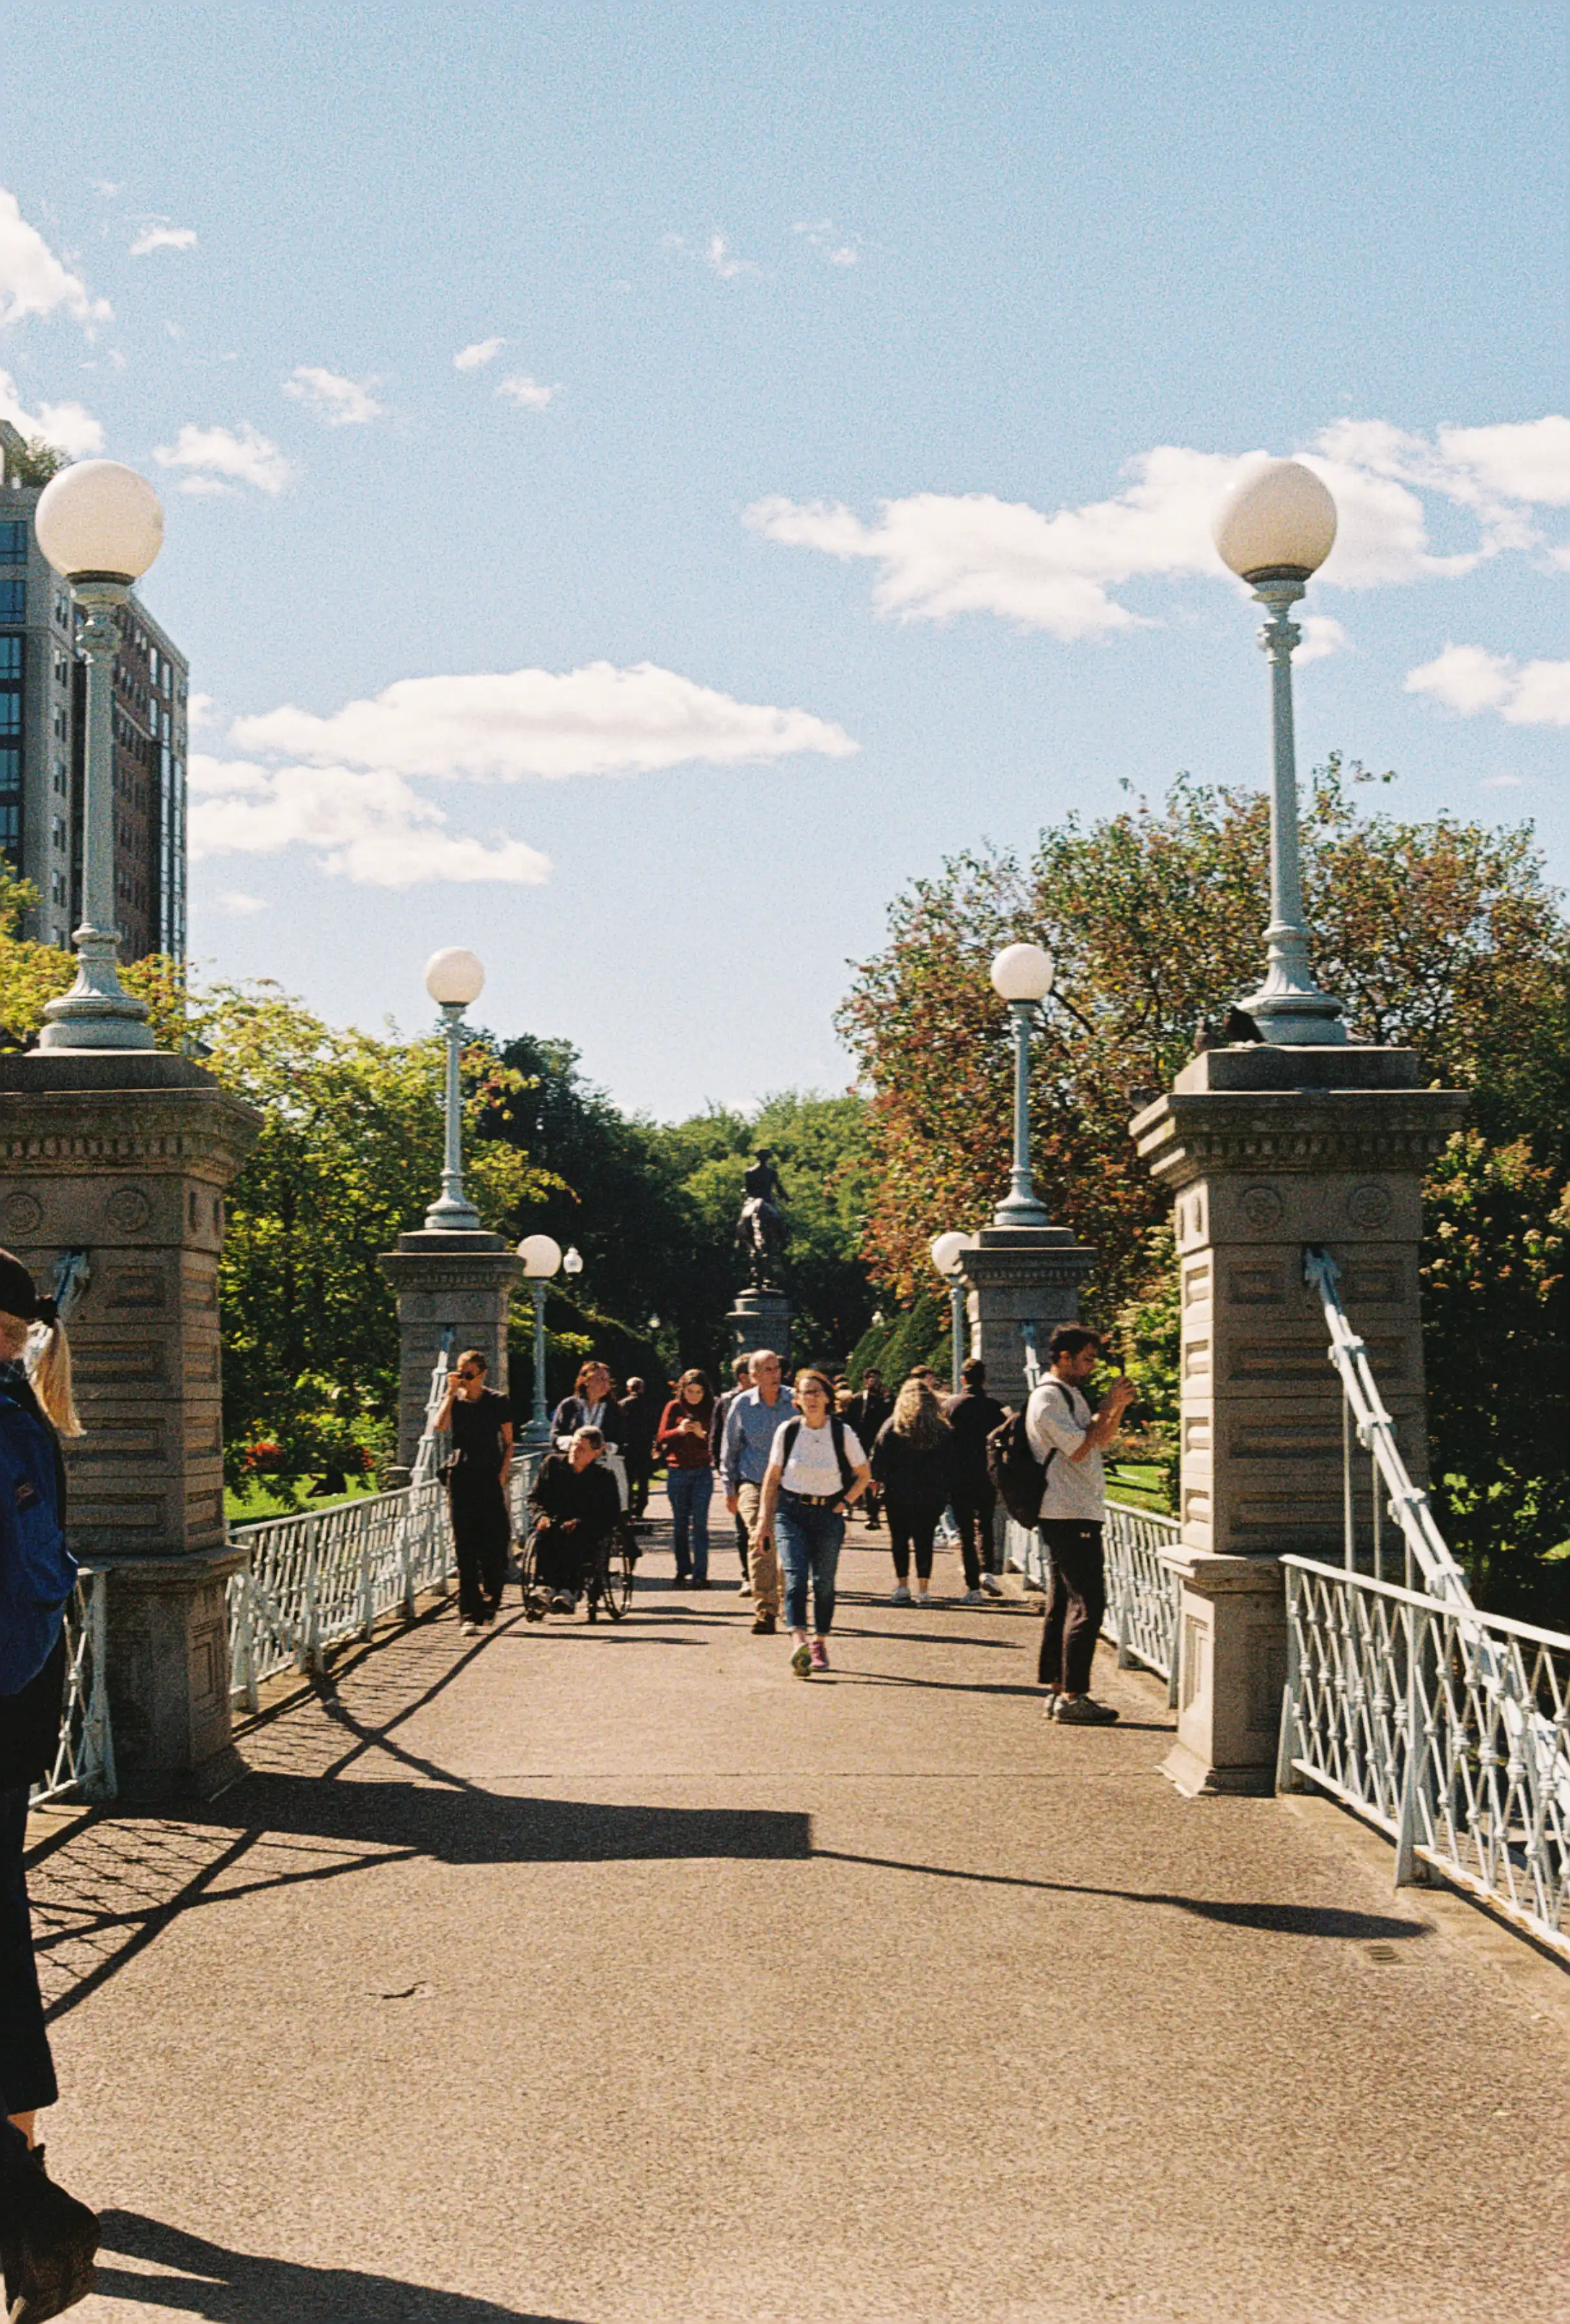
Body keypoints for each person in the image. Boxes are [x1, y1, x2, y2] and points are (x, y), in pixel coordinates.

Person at [0, 1251, 101, 2319]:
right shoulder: (20, 1413)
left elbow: (34, 1586)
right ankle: (30, 2214)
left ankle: (36, 2223)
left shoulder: (8, 1421)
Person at [1027, 1326, 1137, 1723]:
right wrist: (1106, 1403)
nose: (1092, 1366)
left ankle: (1058, 1690)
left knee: (1063, 1603)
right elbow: (1077, 1449)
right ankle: (1074, 1694)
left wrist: (1116, 1406)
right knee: (1089, 1603)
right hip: (1067, 1512)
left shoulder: (1070, 1394)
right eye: (1087, 1358)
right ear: (1063, 1357)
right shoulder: (1047, 1398)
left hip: (1077, 1510)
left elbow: (1099, 1439)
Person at [756, 1368, 871, 1676]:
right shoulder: (788, 1431)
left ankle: (820, 1640)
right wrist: (763, 1521)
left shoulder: (841, 1433)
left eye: (818, 1392)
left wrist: (845, 1503)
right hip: (791, 1512)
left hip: (828, 1515)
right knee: (794, 1578)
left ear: (828, 1398)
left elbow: (864, 1474)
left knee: (823, 1582)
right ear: (796, 1400)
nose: (812, 1398)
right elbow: (772, 1477)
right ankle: (799, 1642)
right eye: (806, 1393)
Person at [433, 1348, 513, 1637]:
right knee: (465, 1546)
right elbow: (439, 1426)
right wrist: (449, 1395)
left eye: (467, 1373)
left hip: (489, 1475)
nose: (462, 1377)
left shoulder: (497, 1401)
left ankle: (491, 1601)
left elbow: (509, 1442)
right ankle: (468, 1612)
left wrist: (503, 1475)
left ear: (481, 1373)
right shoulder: (456, 1401)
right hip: (462, 1475)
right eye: (458, 1371)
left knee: (494, 1543)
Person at [720, 1348, 795, 1635]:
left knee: (786, 1542)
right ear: (752, 1376)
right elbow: (730, 1450)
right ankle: (765, 1609)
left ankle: (787, 1599)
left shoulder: (795, 1401)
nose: (775, 1375)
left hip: (790, 1483)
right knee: (760, 1537)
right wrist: (730, 1489)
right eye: (767, 1370)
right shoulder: (741, 1405)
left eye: (777, 1369)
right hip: (753, 1481)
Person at [870, 1377, 954, 1607]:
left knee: (900, 1540)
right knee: (924, 1541)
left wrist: (878, 1482)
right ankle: (924, 1590)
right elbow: (951, 1462)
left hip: (899, 1493)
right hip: (931, 1493)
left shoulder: (893, 1426)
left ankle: (903, 1586)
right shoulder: (941, 1429)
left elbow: (878, 1461)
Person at [527, 1427, 622, 1612]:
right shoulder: (552, 1465)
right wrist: (541, 1516)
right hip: (553, 1521)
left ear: (596, 1453)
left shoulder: (603, 1478)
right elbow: (535, 1498)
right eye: (573, 1446)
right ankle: (546, 1587)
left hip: (586, 1526)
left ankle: (569, 1591)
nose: (574, 1452)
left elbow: (610, 1513)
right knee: (546, 1534)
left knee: (575, 1537)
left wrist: (582, 1523)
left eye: (581, 1449)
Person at [944, 1357, 1006, 1602]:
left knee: (966, 1532)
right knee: (987, 1524)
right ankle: (988, 1571)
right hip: (987, 1473)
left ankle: (973, 1588)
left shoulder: (951, 1406)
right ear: (985, 1380)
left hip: (960, 1475)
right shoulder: (996, 1408)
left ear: (963, 1380)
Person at [656, 1369, 716, 1587]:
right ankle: (683, 1569)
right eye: (690, 1391)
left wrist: (703, 1435)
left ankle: (701, 1573)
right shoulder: (674, 1407)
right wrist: (679, 1431)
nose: (694, 1396)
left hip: (702, 1471)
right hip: (677, 1470)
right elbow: (661, 1436)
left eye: (699, 1392)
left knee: (700, 1523)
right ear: (682, 1390)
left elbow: (718, 1440)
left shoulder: (712, 1408)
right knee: (680, 1523)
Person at [712, 1357, 754, 1591]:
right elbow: (717, 1439)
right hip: (741, 1474)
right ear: (744, 1378)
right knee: (743, 1528)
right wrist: (725, 1474)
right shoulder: (727, 1402)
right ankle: (748, 1575)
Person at [847, 1367, 891, 1530]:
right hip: (861, 1444)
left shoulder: (885, 1400)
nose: (874, 1382)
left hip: (880, 1444)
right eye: (870, 1379)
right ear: (865, 1381)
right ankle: (853, 1507)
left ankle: (873, 1513)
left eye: (877, 1379)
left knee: (875, 1479)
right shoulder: (858, 1399)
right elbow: (851, 1422)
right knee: (860, 1477)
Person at [618, 1376, 658, 1521]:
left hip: (628, 1447)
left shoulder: (622, 1405)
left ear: (629, 1389)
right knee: (643, 1480)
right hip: (644, 1446)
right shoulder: (649, 1405)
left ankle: (628, 1506)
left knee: (628, 1479)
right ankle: (641, 1507)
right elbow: (654, 1425)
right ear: (642, 1388)